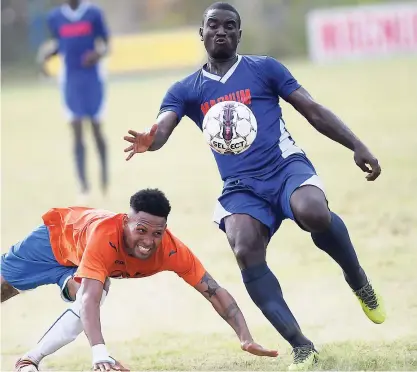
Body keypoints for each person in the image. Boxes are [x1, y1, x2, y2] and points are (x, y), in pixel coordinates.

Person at [123, 2, 386, 370]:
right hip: (241, 186)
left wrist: (356, 144)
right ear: (201, 33)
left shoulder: (264, 68)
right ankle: (302, 345)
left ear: (239, 34)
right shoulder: (187, 89)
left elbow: (311, 109)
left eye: (230, 26)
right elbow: (163, 126)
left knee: (313, 213)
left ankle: (358, 280)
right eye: (213, 26)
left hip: (285, 167)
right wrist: (152, 138)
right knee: (245, 247)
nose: (221, 32)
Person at [1, 188, 278, 372]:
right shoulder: (105, 236)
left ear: (165, 230)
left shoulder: (171, 250)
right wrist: (100, 354)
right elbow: (88, 299)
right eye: (141, 230)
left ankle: (30, 360)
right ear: (125, 222)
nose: (148, 242)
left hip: (78, 263)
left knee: (100, 287)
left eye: (156, 234)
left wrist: (245, 337)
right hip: (53, 240)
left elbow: (214, 291)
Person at [37, 0, 110, 200]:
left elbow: (106, 45)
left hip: (92, 78)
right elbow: (59, 45)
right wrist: (45, 57)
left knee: (96, 128)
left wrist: (96, 54)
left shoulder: (94, 13)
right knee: (76, 129)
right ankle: (83, 185)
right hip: (71, 80)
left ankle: (104, 177)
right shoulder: (55, 18)